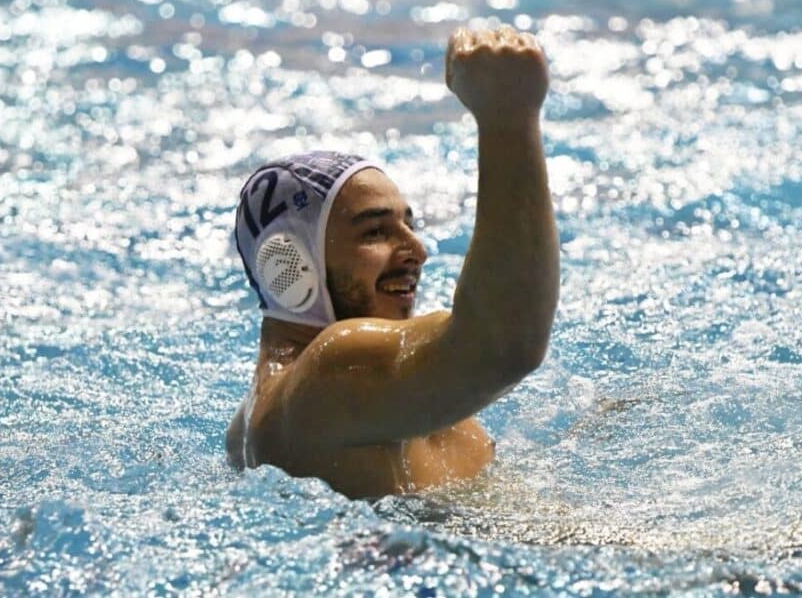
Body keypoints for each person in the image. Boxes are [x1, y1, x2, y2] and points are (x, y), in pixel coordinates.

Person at [226, 26, 559, 499]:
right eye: (375, 232)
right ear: (289, 265)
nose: (418, 250)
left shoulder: (360, 391)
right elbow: (504, 347)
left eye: (408, 225)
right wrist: (508, 118)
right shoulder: (326, 378)